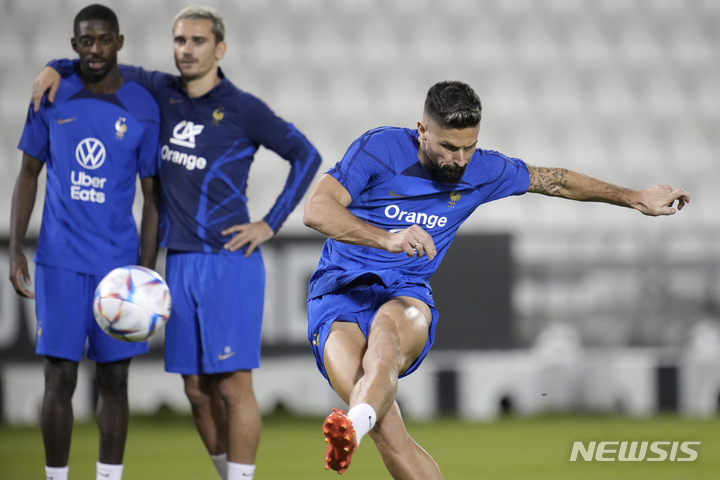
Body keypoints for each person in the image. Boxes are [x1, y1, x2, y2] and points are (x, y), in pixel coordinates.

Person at [302, 80, 690, 477]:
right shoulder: (379, 149)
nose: (460, 159)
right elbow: (317, 209)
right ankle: (361, 423)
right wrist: (387, 238)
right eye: (449, 148)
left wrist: (635, 197)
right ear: (422, 130)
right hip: (337, 293)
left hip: (404, 293)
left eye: (469, 147)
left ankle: (351, 426)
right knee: (389, 430)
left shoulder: (484, 169)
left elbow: (556, 180)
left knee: (385, 345)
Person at [33, 5, 321, 480]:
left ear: (219, 48)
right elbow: (99, 62)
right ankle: (227, 473)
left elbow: (305, 154)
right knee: (196, 391)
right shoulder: (160, 92)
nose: (187, 49)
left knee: (232, 386)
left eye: (198, 41)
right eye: (180, 41)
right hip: (179, 264)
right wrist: (55, 65)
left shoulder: (244, 108)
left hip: (229, 261)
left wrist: (269, 223)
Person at [10, 5, 161, 480]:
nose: (94, 49)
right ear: (74, 46)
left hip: (117, 270)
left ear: (119, 41)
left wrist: (144, 271)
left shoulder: (143, 106)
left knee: (114, 379)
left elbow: (152, 198)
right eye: (85, 42)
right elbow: (27, 175)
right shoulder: (51, 95)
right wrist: (16, 248)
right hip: (60, 263)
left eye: (103, 40)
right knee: (59, 375)